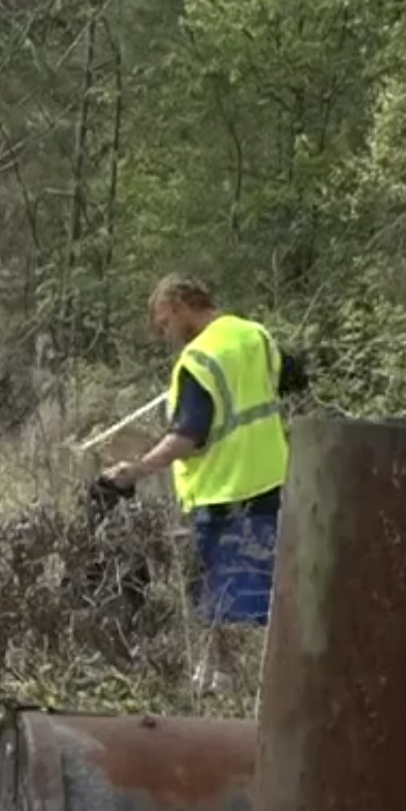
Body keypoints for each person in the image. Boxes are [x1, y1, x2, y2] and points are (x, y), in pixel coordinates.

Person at [97, 274, 305, 689]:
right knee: (271, 591)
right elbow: (295, 378)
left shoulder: (199, 360)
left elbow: (187, 436)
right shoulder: (255, 335)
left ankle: (224, 681)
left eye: (163, 324)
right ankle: (253, 681)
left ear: (178, 306)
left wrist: (137, 468)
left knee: (220, 596)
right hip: (272, 486)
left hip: (222, 496)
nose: (166, 335)